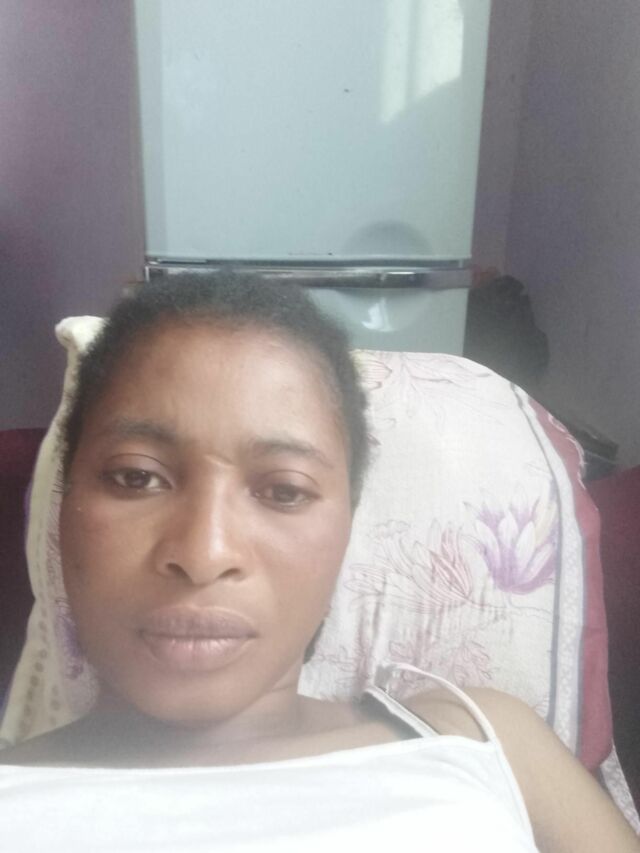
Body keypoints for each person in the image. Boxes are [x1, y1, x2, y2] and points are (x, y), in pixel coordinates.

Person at [0, 276, 637, 852]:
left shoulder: (483, 740)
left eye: (284, 491)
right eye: (137, 477)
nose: (203, 554)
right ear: (63, 506)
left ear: (346, 529)